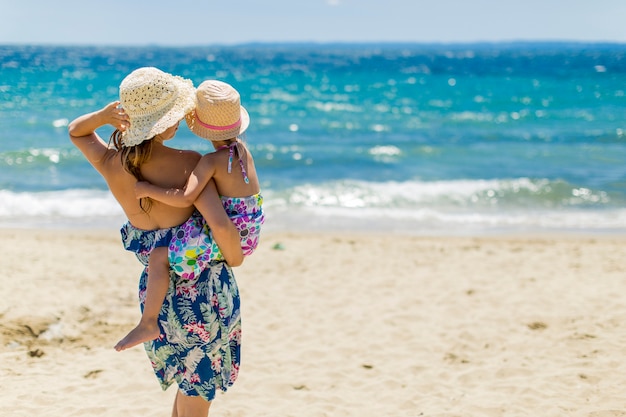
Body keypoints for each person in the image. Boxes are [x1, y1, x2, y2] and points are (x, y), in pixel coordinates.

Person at [68, 67, 244, 417]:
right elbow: (220, 225)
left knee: (188, 377)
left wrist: (104, 116)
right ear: (162, 123)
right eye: (175, 114)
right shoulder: (189, 163)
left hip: (156, 292)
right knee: (200, 382)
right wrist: (236, 257)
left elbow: (76, 132)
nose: (179, 120)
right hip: (201, 288)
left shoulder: (110, 162)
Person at [131, 80, 264, 339]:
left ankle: (148, 323)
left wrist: (148, 189)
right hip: (251, 229)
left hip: (233, 235)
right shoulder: (243, 151)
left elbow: (185, 198)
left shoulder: (210, 161)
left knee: (159, 256)